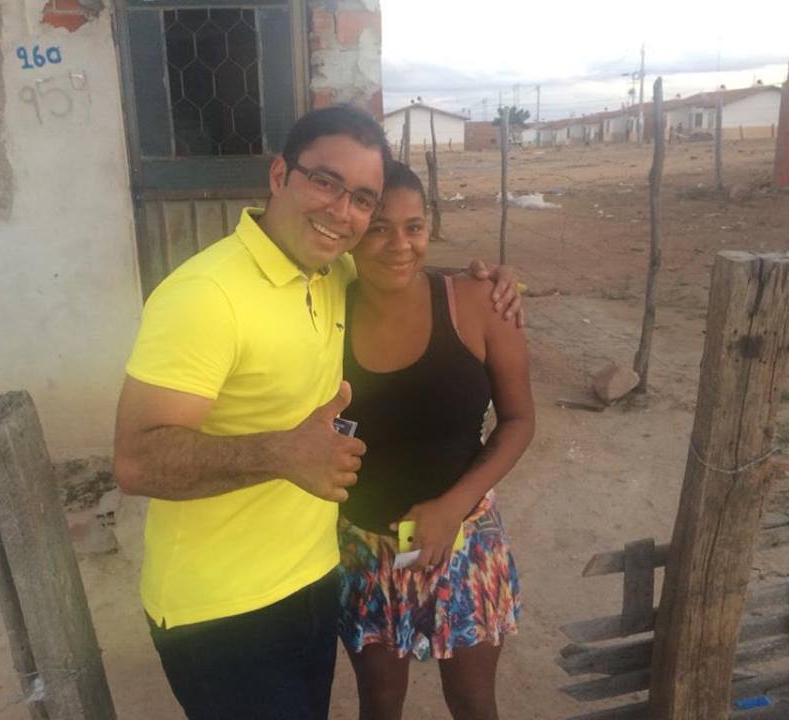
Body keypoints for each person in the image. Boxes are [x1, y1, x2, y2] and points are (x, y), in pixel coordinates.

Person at [113, 105, 523, 720]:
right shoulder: (205, 295)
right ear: (280, 175)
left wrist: (494, 279)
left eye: (361, 198)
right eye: (325, 182)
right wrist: (280, 452)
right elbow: (135, 460)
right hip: (223, 608)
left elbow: (402, 267)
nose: (342, 212)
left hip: (314, 578)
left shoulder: (329, 274)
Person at [337, 161, 535, 720]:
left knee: (473, 702)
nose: (400, 245)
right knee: (379, 703)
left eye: (414, 227)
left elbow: (519, 420)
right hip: (365, 547)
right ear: (353, 232)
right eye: (379, 228)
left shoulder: (478, 305)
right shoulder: (325, 312)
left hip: (465, 542)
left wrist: (452, 507)